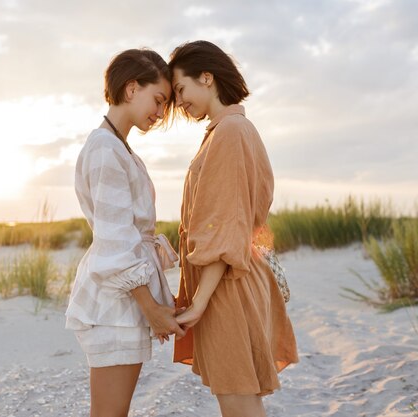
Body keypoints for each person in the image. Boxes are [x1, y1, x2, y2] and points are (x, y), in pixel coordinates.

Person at [169, 40, 299, 417]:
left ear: (206, 77)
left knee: (238, 401)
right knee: (239, 398)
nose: (179, 103)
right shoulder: (230, 130)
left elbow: (224, 228)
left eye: (181, 90)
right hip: (230, 281)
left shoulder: (229, 132)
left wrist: (199, 303)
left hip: (226, 286)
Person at [65, 48, 185, 417]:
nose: (160, 112)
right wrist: (150, 308)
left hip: (124, 299)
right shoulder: (104, 149)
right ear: (132, 88)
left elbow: (135, 236)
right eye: (159, 99)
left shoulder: (120, 148)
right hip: (115, 303)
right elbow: (116, 238)